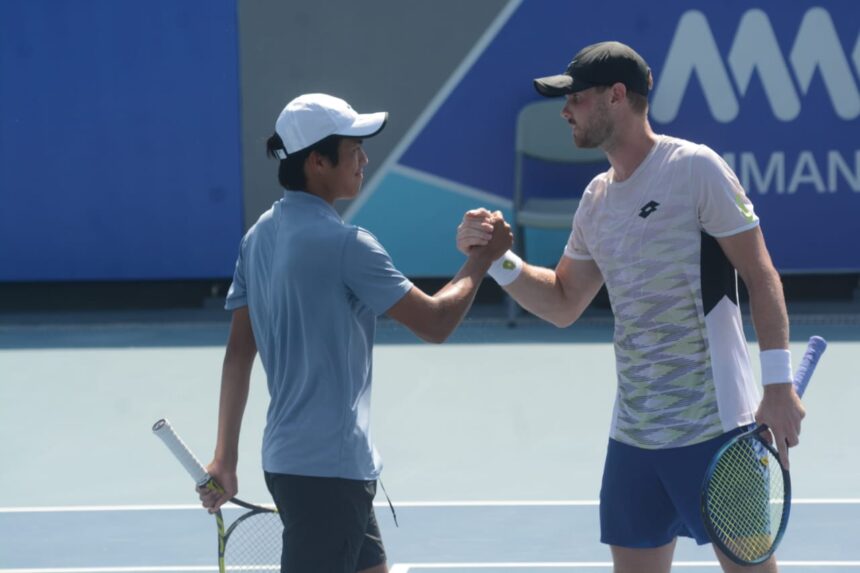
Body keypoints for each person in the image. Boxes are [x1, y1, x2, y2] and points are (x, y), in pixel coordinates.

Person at [457, 42, 804, 573]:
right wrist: (499, 261)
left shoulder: (694, 169)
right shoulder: (596, 199)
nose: (564, 109)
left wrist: (778, 387)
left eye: (574, 97)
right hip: (635, 439)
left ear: (616, 96)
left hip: (715, 429)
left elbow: (760, 275)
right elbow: (563, 301)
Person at [198, 93, 512, 573]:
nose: (364, 158)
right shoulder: (348, 245)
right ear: (318, 161)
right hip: (330, 472)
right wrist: (482, 260)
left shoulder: (256, 237)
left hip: (293, 462)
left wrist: (225, 458)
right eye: (353, 148)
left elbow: (238, 356)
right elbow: (435, 322)